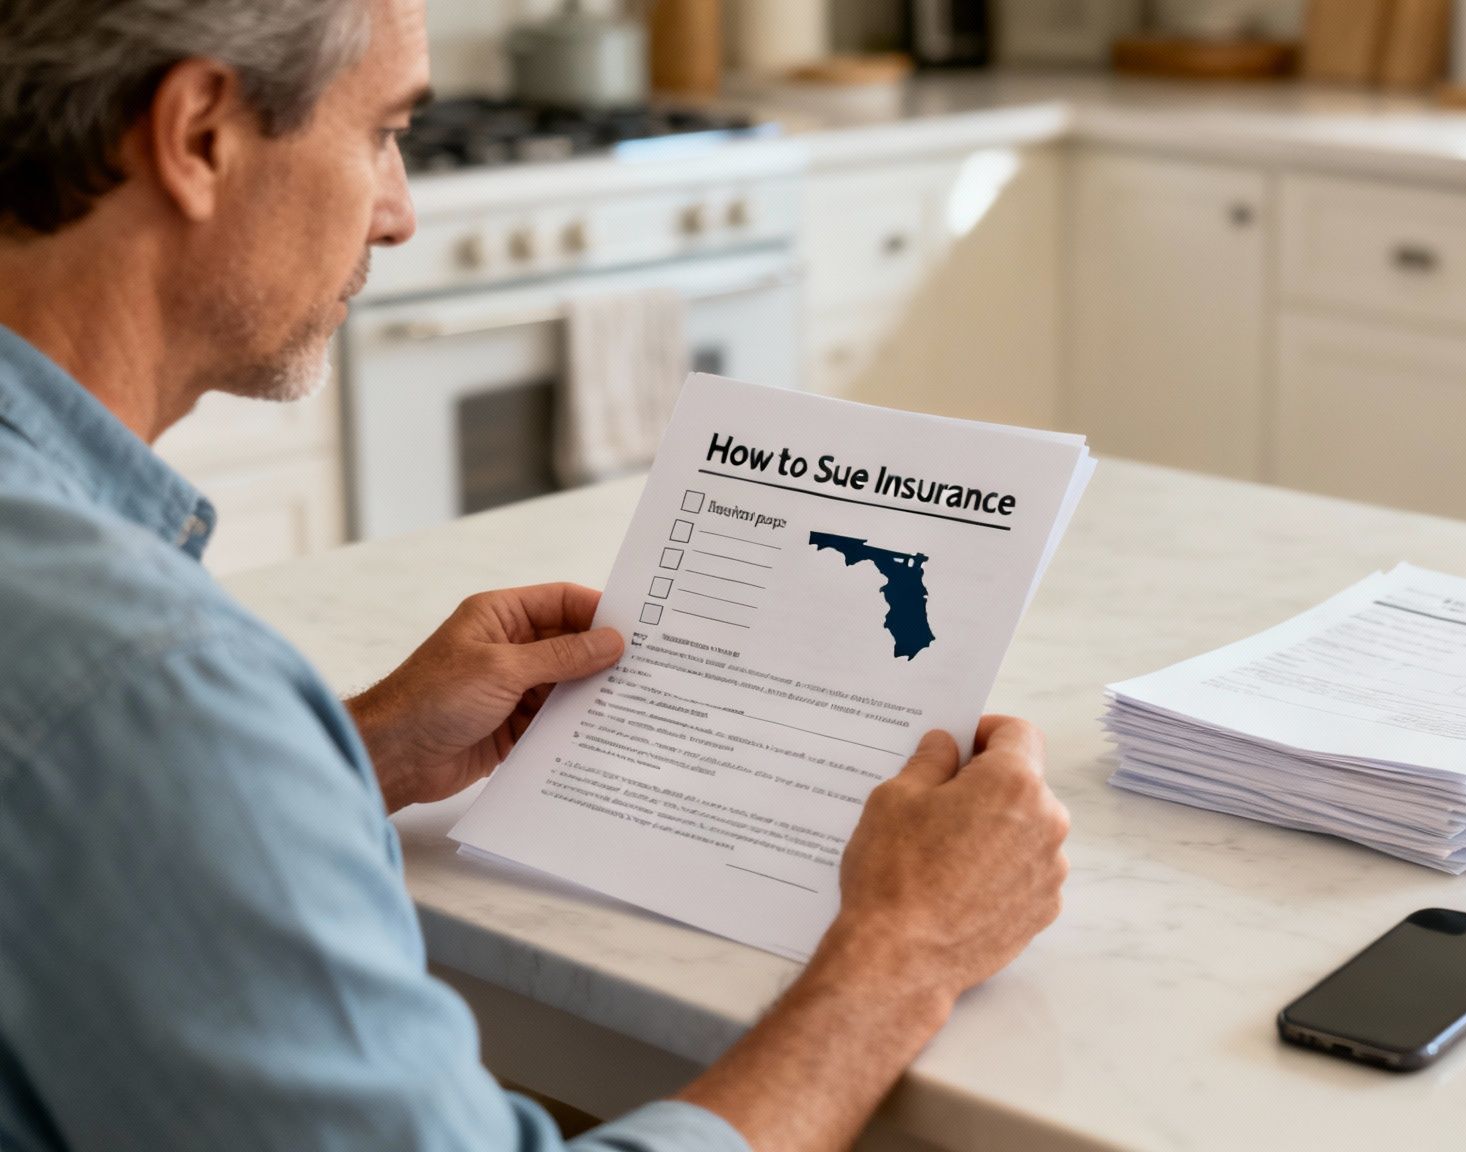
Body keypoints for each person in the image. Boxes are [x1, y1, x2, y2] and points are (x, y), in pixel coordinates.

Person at [0, 1, 1072, 1149]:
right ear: (200, 135)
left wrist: (344, 759)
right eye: (382, 133)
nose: (402, 212)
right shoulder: (145, 679)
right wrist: (900, 957)